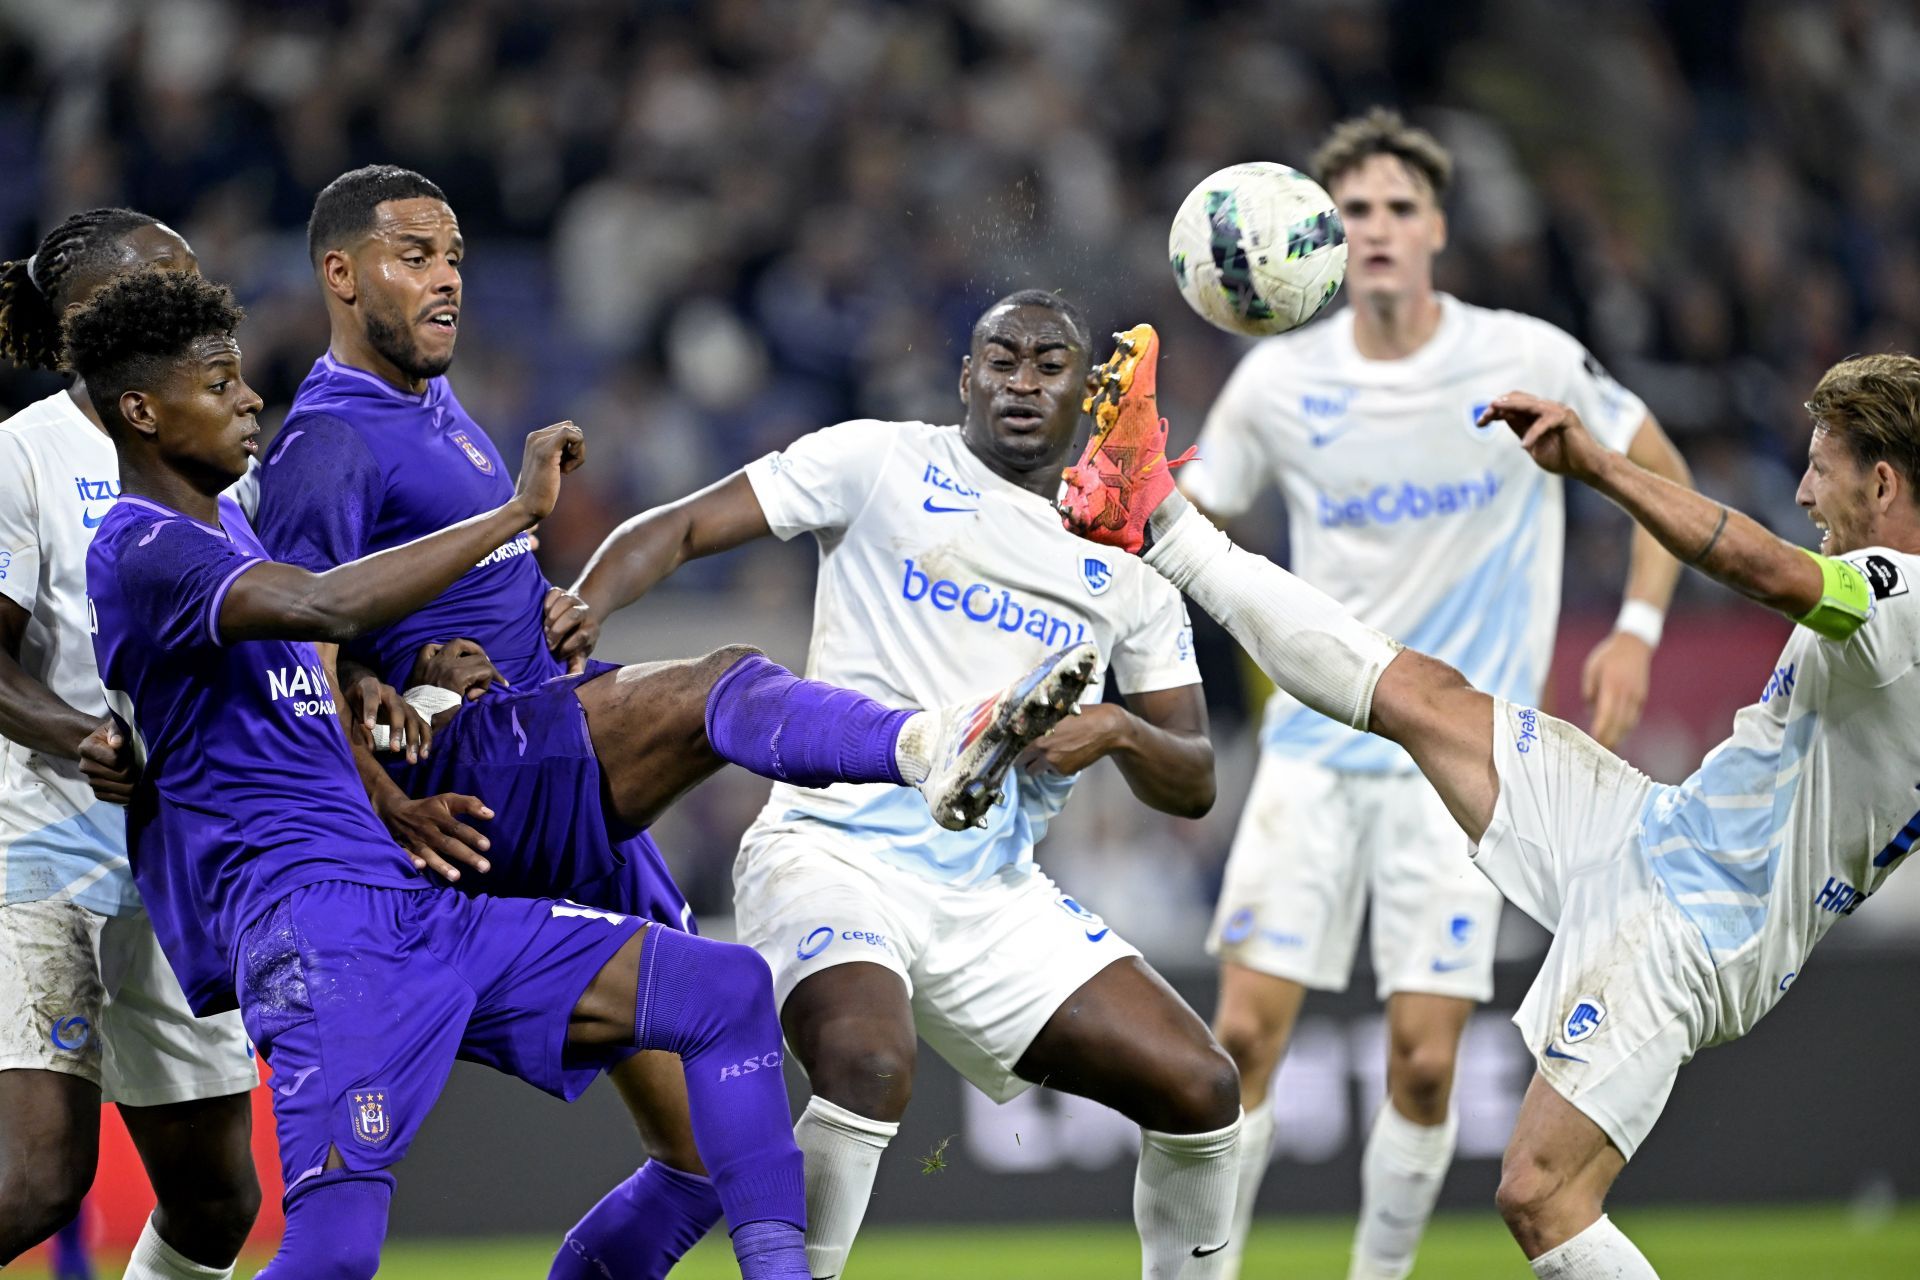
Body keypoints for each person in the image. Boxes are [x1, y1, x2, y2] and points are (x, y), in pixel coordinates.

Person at [250, 164, 1090, 1278]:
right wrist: (386, 766)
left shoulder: (428, 404)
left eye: (455, 255)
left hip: (542, 757)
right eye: (415, 257)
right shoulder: (330, 437)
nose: (448, 279)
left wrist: (497, 621)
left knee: (702, 1146)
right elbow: (295, 640)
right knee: (718, 686)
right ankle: (929, 744)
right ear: (341, 274)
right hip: (481, 775)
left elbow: (389, 611)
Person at [1062, 325, 1920, 1279]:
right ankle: (1158, 519)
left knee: (1541, 1196)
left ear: (1883, 485)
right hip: (1655, 832)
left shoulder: (1906, 603)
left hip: (1696, 920)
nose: (1803, 495)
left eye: (1820, 471)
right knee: (1420, 697)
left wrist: (1595, 465)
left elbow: (1762, 569)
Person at [70, 266, 823, 1279]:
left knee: (726, 988)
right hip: (316, 928)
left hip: (413, 901)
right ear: (141, 409)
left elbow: (315, 657)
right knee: (335, 1257)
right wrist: (515, 513)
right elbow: (324, 606)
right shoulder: (141, 547)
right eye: (218, 382)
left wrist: (402, 669)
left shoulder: (227, 528)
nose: (250, 396)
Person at [573, 291, 1246, 1279]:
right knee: (868, 1062)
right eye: (1001, 359)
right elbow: (675, 530)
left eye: (1049, 363)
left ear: (1087, 393)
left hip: (987, 890)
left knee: (1201, 1086)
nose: (1022, 380)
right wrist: (579, 608)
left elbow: (1193, 777)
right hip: (831, 847)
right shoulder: (879, 460)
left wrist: (1112, 730)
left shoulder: (1129, 563)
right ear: (964, 378)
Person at [1174, 109, 1693, 1280]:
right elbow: (1197, 514)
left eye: (1400, 208)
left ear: (1438, 228)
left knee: (1420, 1063)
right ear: (1320, 233)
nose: (1379, 229)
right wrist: (1139, 489)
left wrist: (1637, 628)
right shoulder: (1277, 379)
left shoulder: (1525, 354)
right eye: (1354, 210)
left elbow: (1655, 467)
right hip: (1310, 750)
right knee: (1241, 1038)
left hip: (1453, 768)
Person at [0, 210, 261, 1279]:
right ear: (85, 322)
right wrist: (77, 735)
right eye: (163, 283)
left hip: (179, 862)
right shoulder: (24, 456)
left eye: (193, 281)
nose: (190, 301)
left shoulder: (223, 451)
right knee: (38, 1178)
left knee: (217, 1197)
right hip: (46, 851)